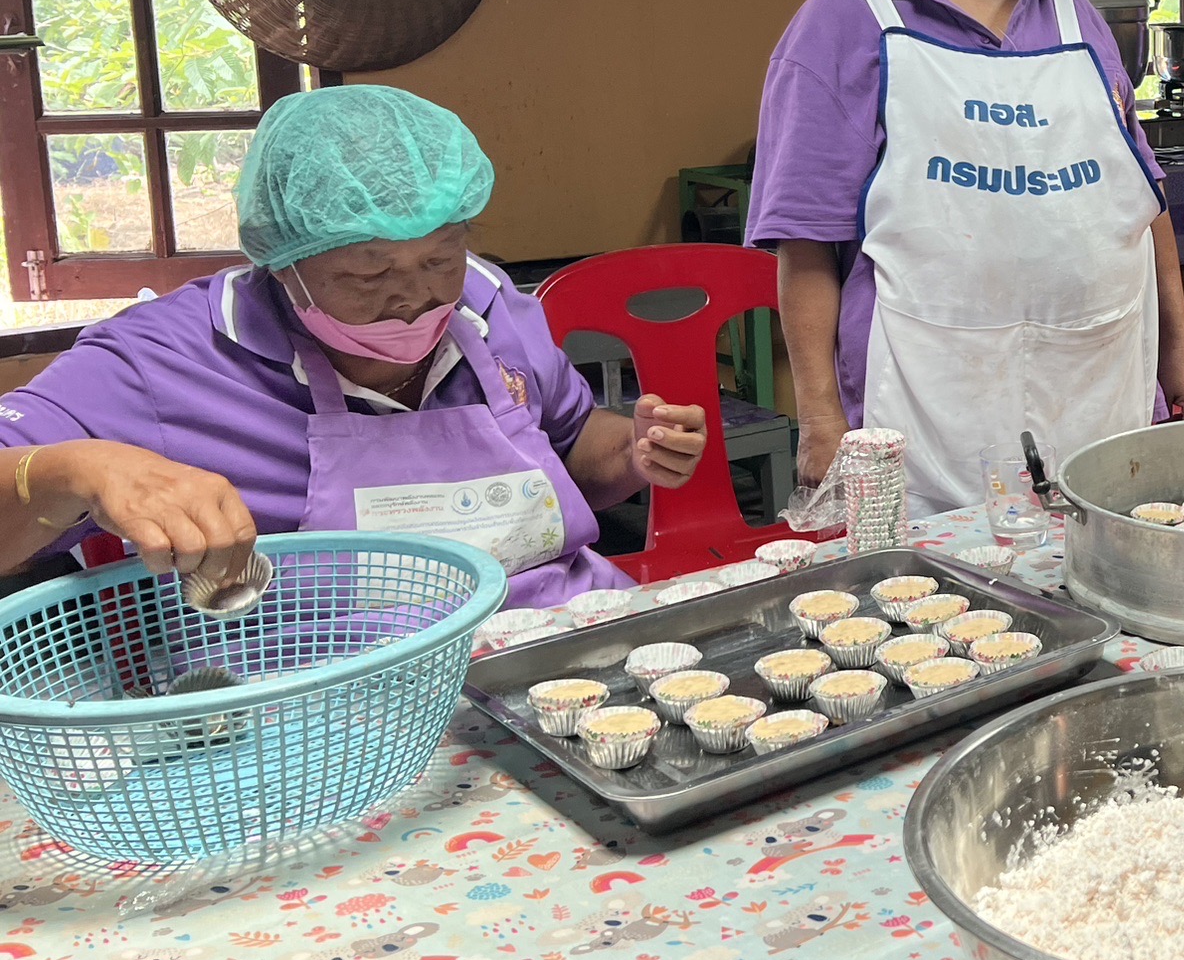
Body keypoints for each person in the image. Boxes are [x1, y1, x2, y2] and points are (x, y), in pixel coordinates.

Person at [0, 87, 710, 605]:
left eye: (441, 258)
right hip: (328, 721)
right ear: (282, 264)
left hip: (555, 662)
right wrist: (75, 469)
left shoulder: (493, 310)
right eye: (366, 274)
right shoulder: (162, 363)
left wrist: (634, 452)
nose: (414, 298)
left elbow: (569, 449)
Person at [749, 0, 1184, 516]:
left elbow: (1141, 204)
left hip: (1099, 392)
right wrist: (821, 419)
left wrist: (1181, 363)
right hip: (929, 414)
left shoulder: (1072, 13)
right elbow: (806, 246)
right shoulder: (847, 21)